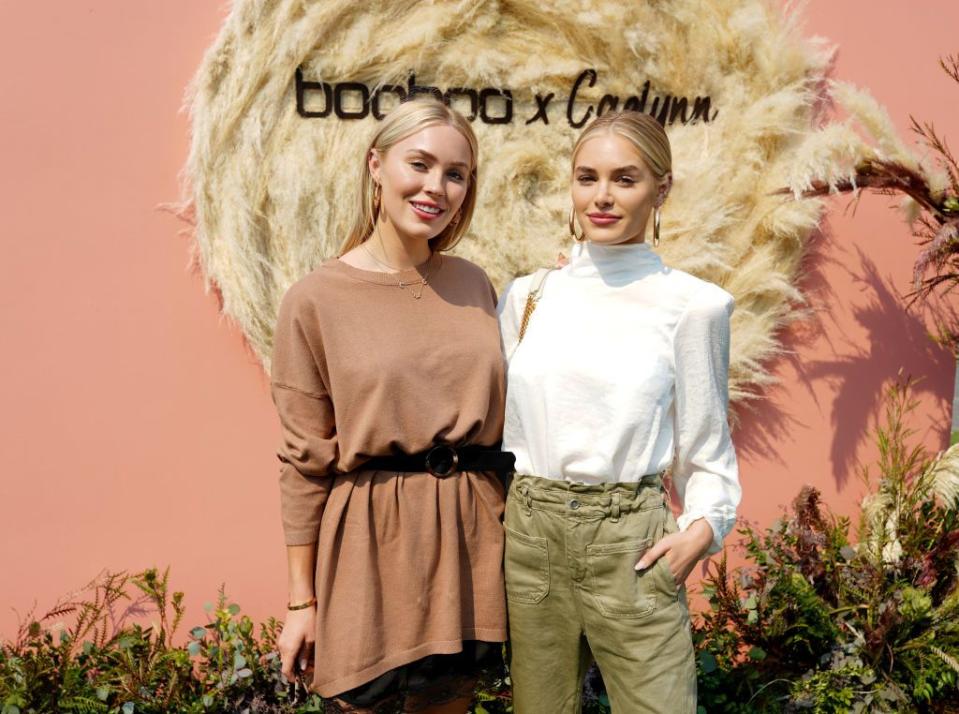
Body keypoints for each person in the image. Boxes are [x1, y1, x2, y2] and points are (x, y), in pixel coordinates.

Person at [271, 97, 513, 714]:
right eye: (420, 164)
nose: (437, 187)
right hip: (371, 545)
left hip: (473, 537)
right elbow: (304, 460)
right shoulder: (315, 299)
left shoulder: (474, 283)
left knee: (452, 704)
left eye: (456, 174)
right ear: (376, 166)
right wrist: (302, 601)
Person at [498, 110, 742, 713]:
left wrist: (703, 530)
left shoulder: (694, 306)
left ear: (661, 189)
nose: (601, 197)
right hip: (533, 536)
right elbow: (510, 427)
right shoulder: (527, 296)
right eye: (587, 177)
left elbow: (706, 446)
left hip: (629, 541)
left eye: (625, 179)